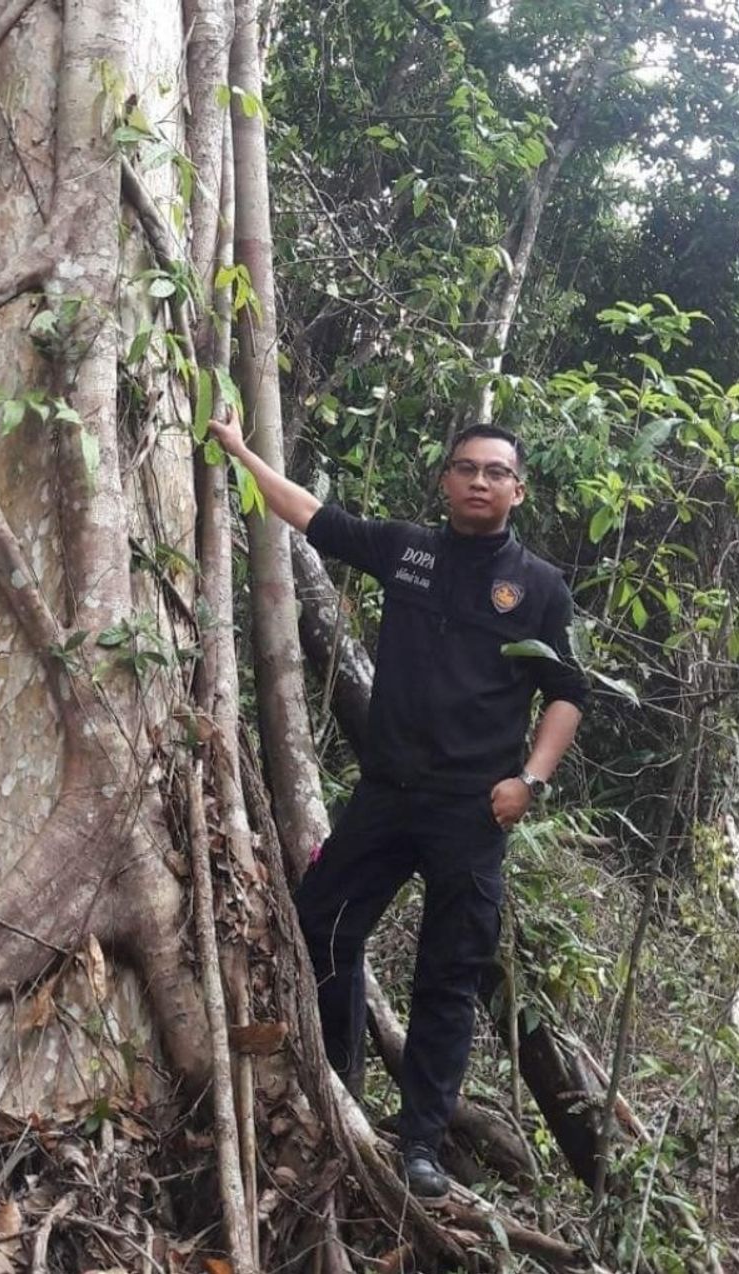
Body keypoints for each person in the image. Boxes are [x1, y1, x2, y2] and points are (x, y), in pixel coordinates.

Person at [208, 411, 587, 1202]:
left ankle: (420, 1143)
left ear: (518, 489)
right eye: (466, 469)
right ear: (446, 479)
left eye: (495, 472)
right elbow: (313, 516)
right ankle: (337, 1082)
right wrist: (241, 451)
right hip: (386, 796)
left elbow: (566, 696)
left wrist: (532, 782)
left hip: (472, 813)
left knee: (448, 977)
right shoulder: (409, 551)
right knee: (322, 927)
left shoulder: (541, 587)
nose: (479, 482)